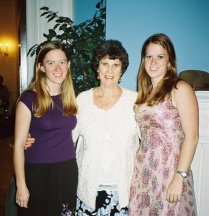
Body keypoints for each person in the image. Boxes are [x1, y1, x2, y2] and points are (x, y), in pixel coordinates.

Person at [128, 33, 199, 215]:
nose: (153, 62)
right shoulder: (144, 94)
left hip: (170, 173)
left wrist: (179, 177)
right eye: (148, 57)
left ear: (169, 61)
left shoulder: (180, 88)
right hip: (143, 173)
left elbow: (192, 137)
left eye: (160, 57)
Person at [13, 41, 78, 216]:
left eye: (62, 62)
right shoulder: (28, 99)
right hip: (38, 174)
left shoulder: (71, 98)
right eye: (50, 63)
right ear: (41, 67)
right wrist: (21, 186)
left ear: (68, 65)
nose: (58, 68)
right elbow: (18, 146)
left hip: (66, 172)